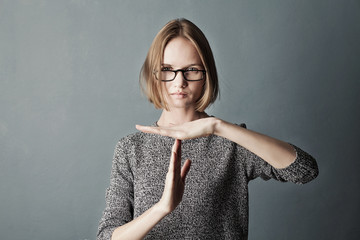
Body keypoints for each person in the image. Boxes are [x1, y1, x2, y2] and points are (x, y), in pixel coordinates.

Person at [97, 18, 318, 240]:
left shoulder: (231, 143)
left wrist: (217, 127)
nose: (179, 82)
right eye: (167, 69)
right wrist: (163, 207)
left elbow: (304, 170)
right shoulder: (130, 149)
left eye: (191, 70)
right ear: (154, 74)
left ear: (206, 74)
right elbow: (108, 236)